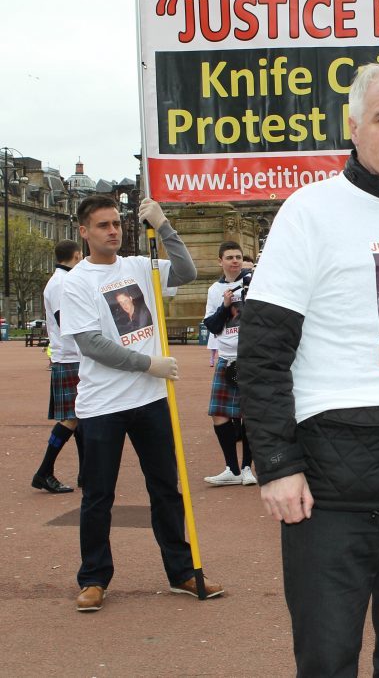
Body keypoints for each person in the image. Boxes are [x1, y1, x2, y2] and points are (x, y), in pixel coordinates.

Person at [238, 63, 379, 677]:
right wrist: (277, 466)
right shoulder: (309, 212)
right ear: (354, 125)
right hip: (332, 480)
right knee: (328, 655)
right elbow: (261, 352)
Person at [61, 194, 223, 612]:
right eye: (102, 225)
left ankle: (181, 571)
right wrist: (146, 363)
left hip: (151, 401)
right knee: (99, 495)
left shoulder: (139, 265)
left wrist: (165, 225)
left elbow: (187, 272)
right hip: (103, 405)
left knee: (166, 488)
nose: (112, 231)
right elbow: (91, 344)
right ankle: (94, 578)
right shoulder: (76, 281)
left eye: (116, 223)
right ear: (83, 231)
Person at [31, 239, 85, 494]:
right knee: (72, 418)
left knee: (82, 416)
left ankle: (86, 471)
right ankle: (44, 471)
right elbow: (67, 321)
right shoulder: (63, 283)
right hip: (71, 355)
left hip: (71, 355)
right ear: (76, 256)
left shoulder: (59, 281)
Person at [202, 240, 255, 486]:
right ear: (220, 261)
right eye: (230, 257)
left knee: (251, 417)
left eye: (238, 256)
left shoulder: (255, 282)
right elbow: (212, 326)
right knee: (219, 415)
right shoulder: (214, 290)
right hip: (226, 357)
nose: (235, 260)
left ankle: (247, 469)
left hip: (251, 357)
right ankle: (232, 469)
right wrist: (225, 306)